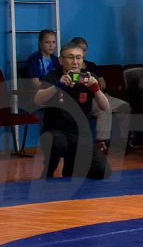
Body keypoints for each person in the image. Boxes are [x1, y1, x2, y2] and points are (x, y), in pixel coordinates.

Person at [34, 43, 113, 179]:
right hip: (56, 132)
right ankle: (48, 171)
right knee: (57, 142)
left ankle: (72, 167)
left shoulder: (88, 77)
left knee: (103, 171)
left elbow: (105, 107)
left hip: (80, 134)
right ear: (61, 60)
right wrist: (57, 86)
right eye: (70, 57)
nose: (75, 62)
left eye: (78, 57)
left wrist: (95, 89)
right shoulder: (54, 76)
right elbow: (37, 100)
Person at [70, 37, 131, 155]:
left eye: (84, 50)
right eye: (80, 50)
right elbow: (75, 81)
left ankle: (124, 140)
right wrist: (89, 82)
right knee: (105, 108)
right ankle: (101, 141)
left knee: (124, 106)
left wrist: (91, 84)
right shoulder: (72, 66)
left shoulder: (91, 65)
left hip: (99, 94)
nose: (83, 53)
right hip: (84, 99)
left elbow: (102, 84)